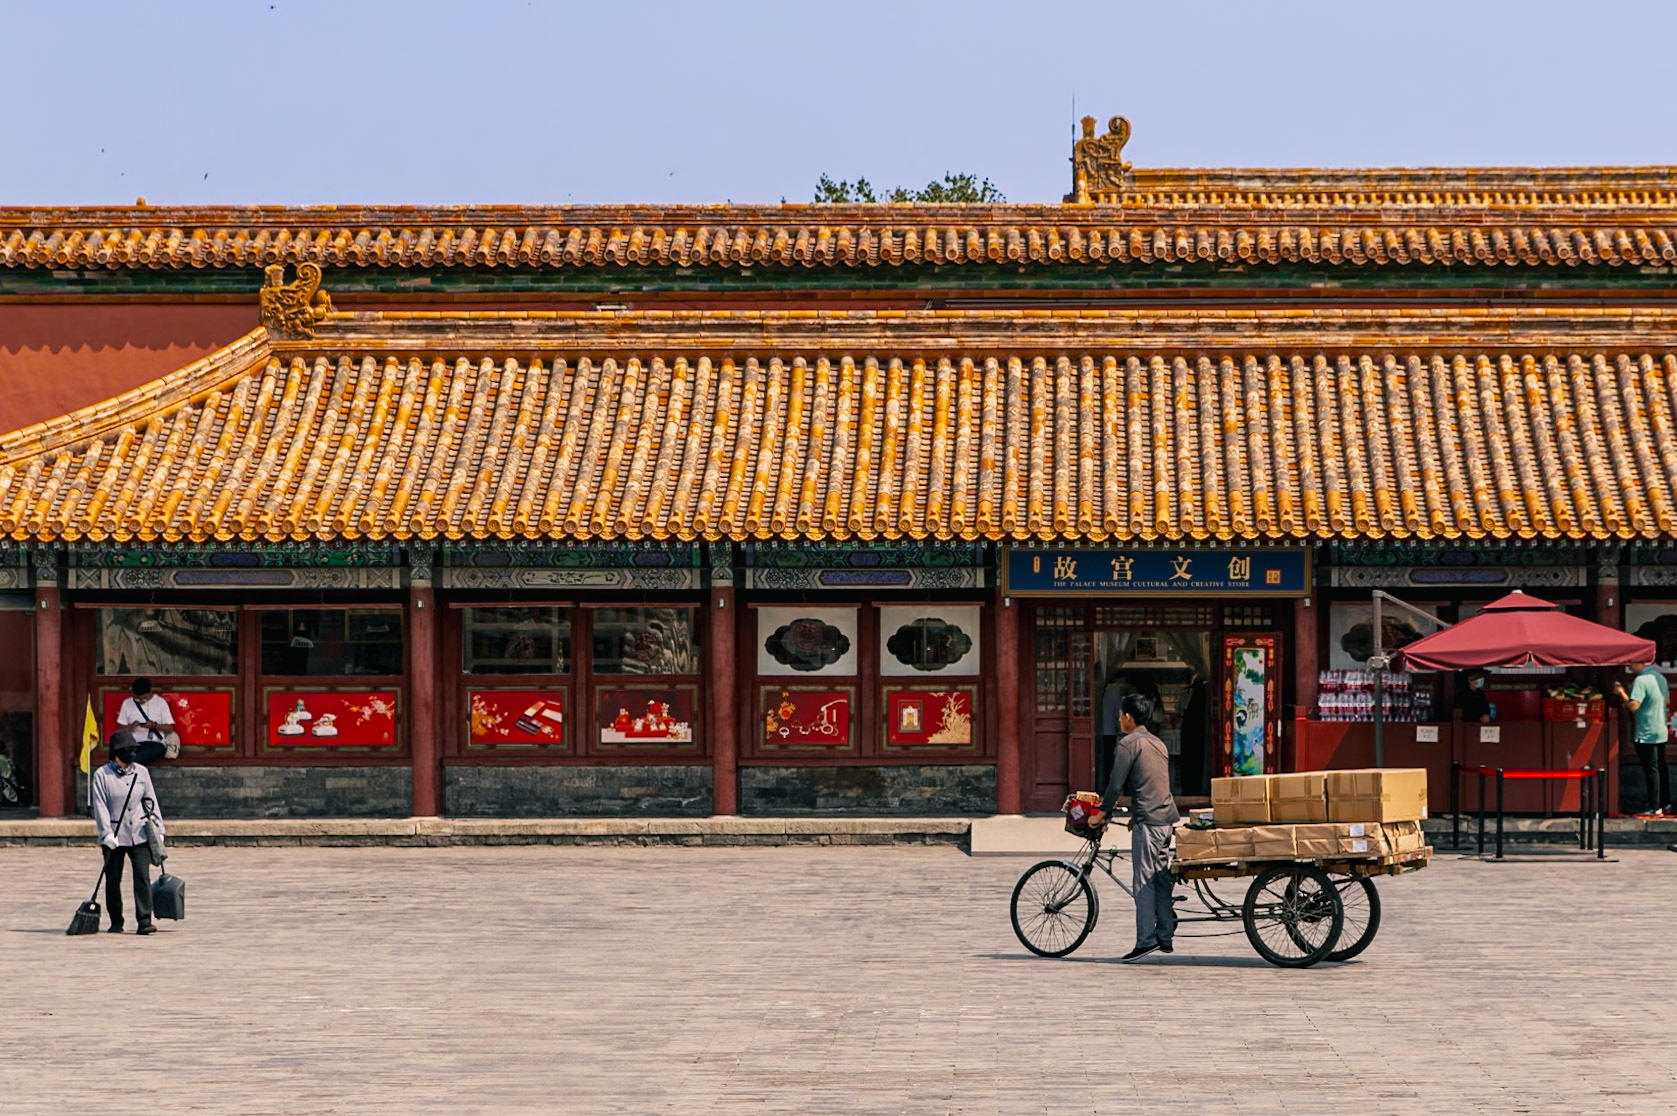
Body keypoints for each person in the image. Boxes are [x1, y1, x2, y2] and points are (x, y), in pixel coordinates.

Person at [1099, 691, 1181, 962]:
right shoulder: (1157, 742)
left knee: (1143, 881)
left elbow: (1115, 784)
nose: (1119, 719)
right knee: (1160, 878)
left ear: (1129, 718)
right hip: (1165, 819)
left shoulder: (1128, 744)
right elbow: (1155, 783)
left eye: (1121, 715)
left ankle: (1146, 940)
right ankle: (1164, 936)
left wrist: (1102, 812)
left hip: (1150, 824)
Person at [91, 731, 162, 935]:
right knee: (113, 879)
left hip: (139, 832)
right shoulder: (102, 775)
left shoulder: (141, 772)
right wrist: (106, 833)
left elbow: (151, 801)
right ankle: (116, 920)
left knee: (142, 876)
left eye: (134, 751)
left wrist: (159, 828)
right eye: (127, 751)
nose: (132, 755)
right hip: (114, 833)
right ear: (116, 753)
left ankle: (144, 919)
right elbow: (100, 806)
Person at [1615, 660, 1671, 816]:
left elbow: (1634, 706)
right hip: (1661, 729)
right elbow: (1667, 701)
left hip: (1646, 732)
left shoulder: (1640, 680)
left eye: (1631, 664)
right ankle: (1665, 803)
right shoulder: (1661, 678)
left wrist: (1621, 693)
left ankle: (1654, 807)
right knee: (1661, 768)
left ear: (1641, 663)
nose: (1629, 667)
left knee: (1651, 770)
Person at [117, 678, 174, 766]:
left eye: (143, 698)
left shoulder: (160, 703)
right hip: (133, 743)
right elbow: (120, 728)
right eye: (137, 699)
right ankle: (132, 762)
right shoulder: (127, 703)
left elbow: (170, 727)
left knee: (156, 749)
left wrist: (154, 725)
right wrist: (130, 727)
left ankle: (130, 762)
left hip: (154, 743)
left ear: (150, 692)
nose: (140, 701)